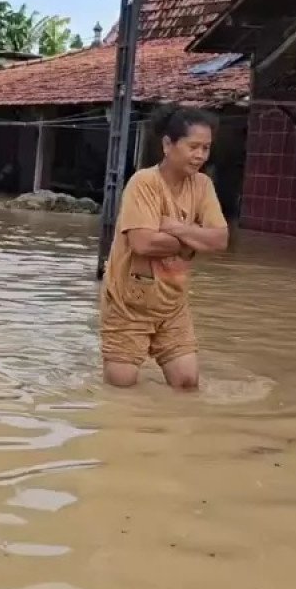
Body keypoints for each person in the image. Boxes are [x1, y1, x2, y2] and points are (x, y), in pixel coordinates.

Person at [99, 107, 230, 391]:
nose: (200, 155)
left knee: (187, 384)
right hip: (127, 303)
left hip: (172, 303)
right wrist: (193, 240)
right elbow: (143, 243)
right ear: (168, 145)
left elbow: (220, 240)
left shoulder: (203, 185)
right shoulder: (144, 183)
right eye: (193, 147)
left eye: (206, 148)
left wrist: (175, 227)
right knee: (121, 387)